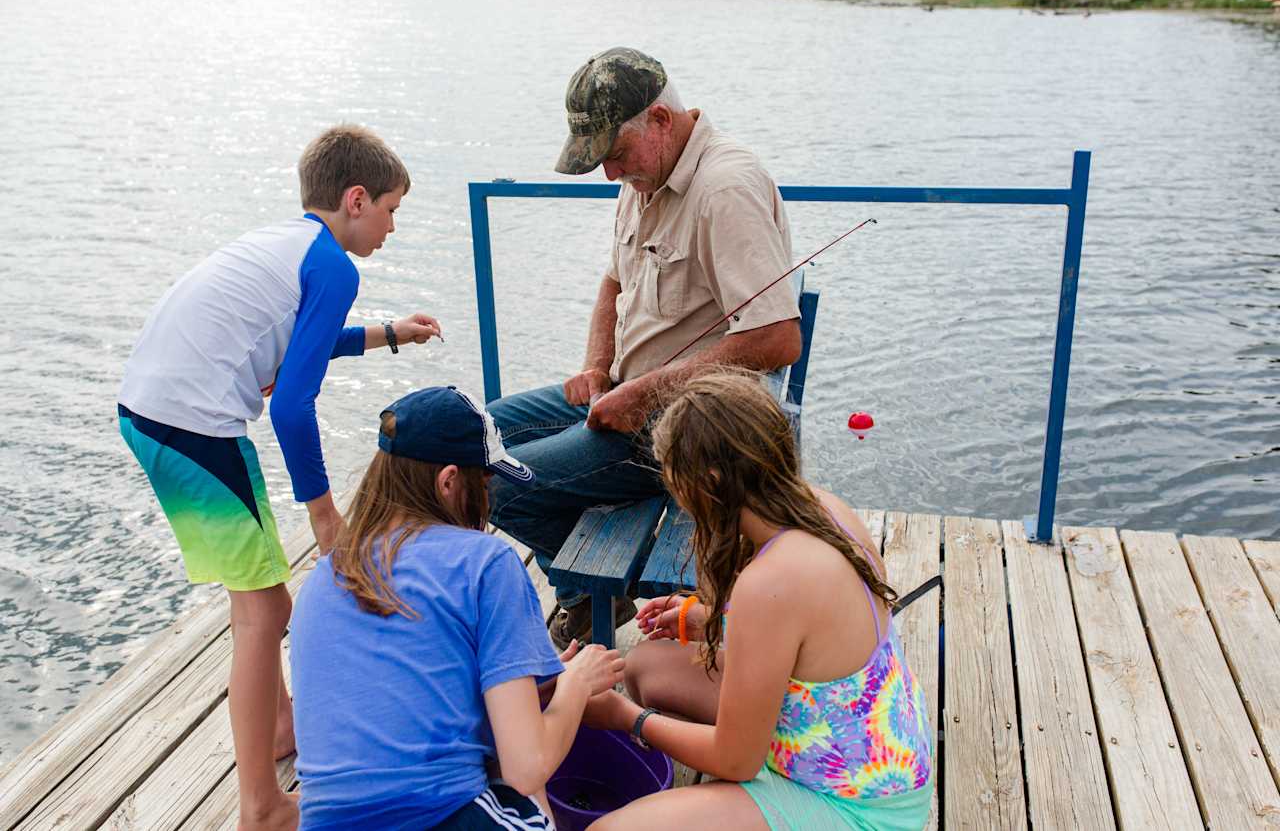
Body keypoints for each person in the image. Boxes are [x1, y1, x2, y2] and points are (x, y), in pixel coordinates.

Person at [117, 124, 441, 831]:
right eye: (391, 207)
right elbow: (293, 400)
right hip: (192, 424)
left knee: (266, 605)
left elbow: (304, 347)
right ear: (356, 199)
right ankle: (262, 804)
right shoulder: (334, 267)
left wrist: (391, 334)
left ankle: (281, 726)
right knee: (262, 612)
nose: (392, 223)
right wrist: (324, 513)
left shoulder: (288, 245)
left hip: (152, 413)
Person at [490, 47, 803, 649]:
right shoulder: (648, 173)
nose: (610, 173)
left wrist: (645, 392)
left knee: (497, 485)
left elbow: (777, 337)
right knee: (476, 432)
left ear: (660, 119)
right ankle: (590, 596)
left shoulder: (725, 188)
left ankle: (589, 597)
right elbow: (613, 281)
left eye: (615, 154)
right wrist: (595, 366)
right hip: (627, 391)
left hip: (688, 429)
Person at [580, 372, 935, 831]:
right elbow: (806, 628)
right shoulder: (821, 507)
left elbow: (737, 760)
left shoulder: (768, 585)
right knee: (645, 667)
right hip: (857, 743)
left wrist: (627, 717)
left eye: (674, 476)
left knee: (607, 830)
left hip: (858, 804)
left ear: (709, 482)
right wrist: (706, 617)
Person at [288, 386, 625, 829]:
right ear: (448, 482)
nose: (487, 499)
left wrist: (534, 687)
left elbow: (401, 700)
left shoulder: (325, 574)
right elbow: (527, 766)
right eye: (484, 483)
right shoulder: (487, 563)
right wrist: (576, 686)